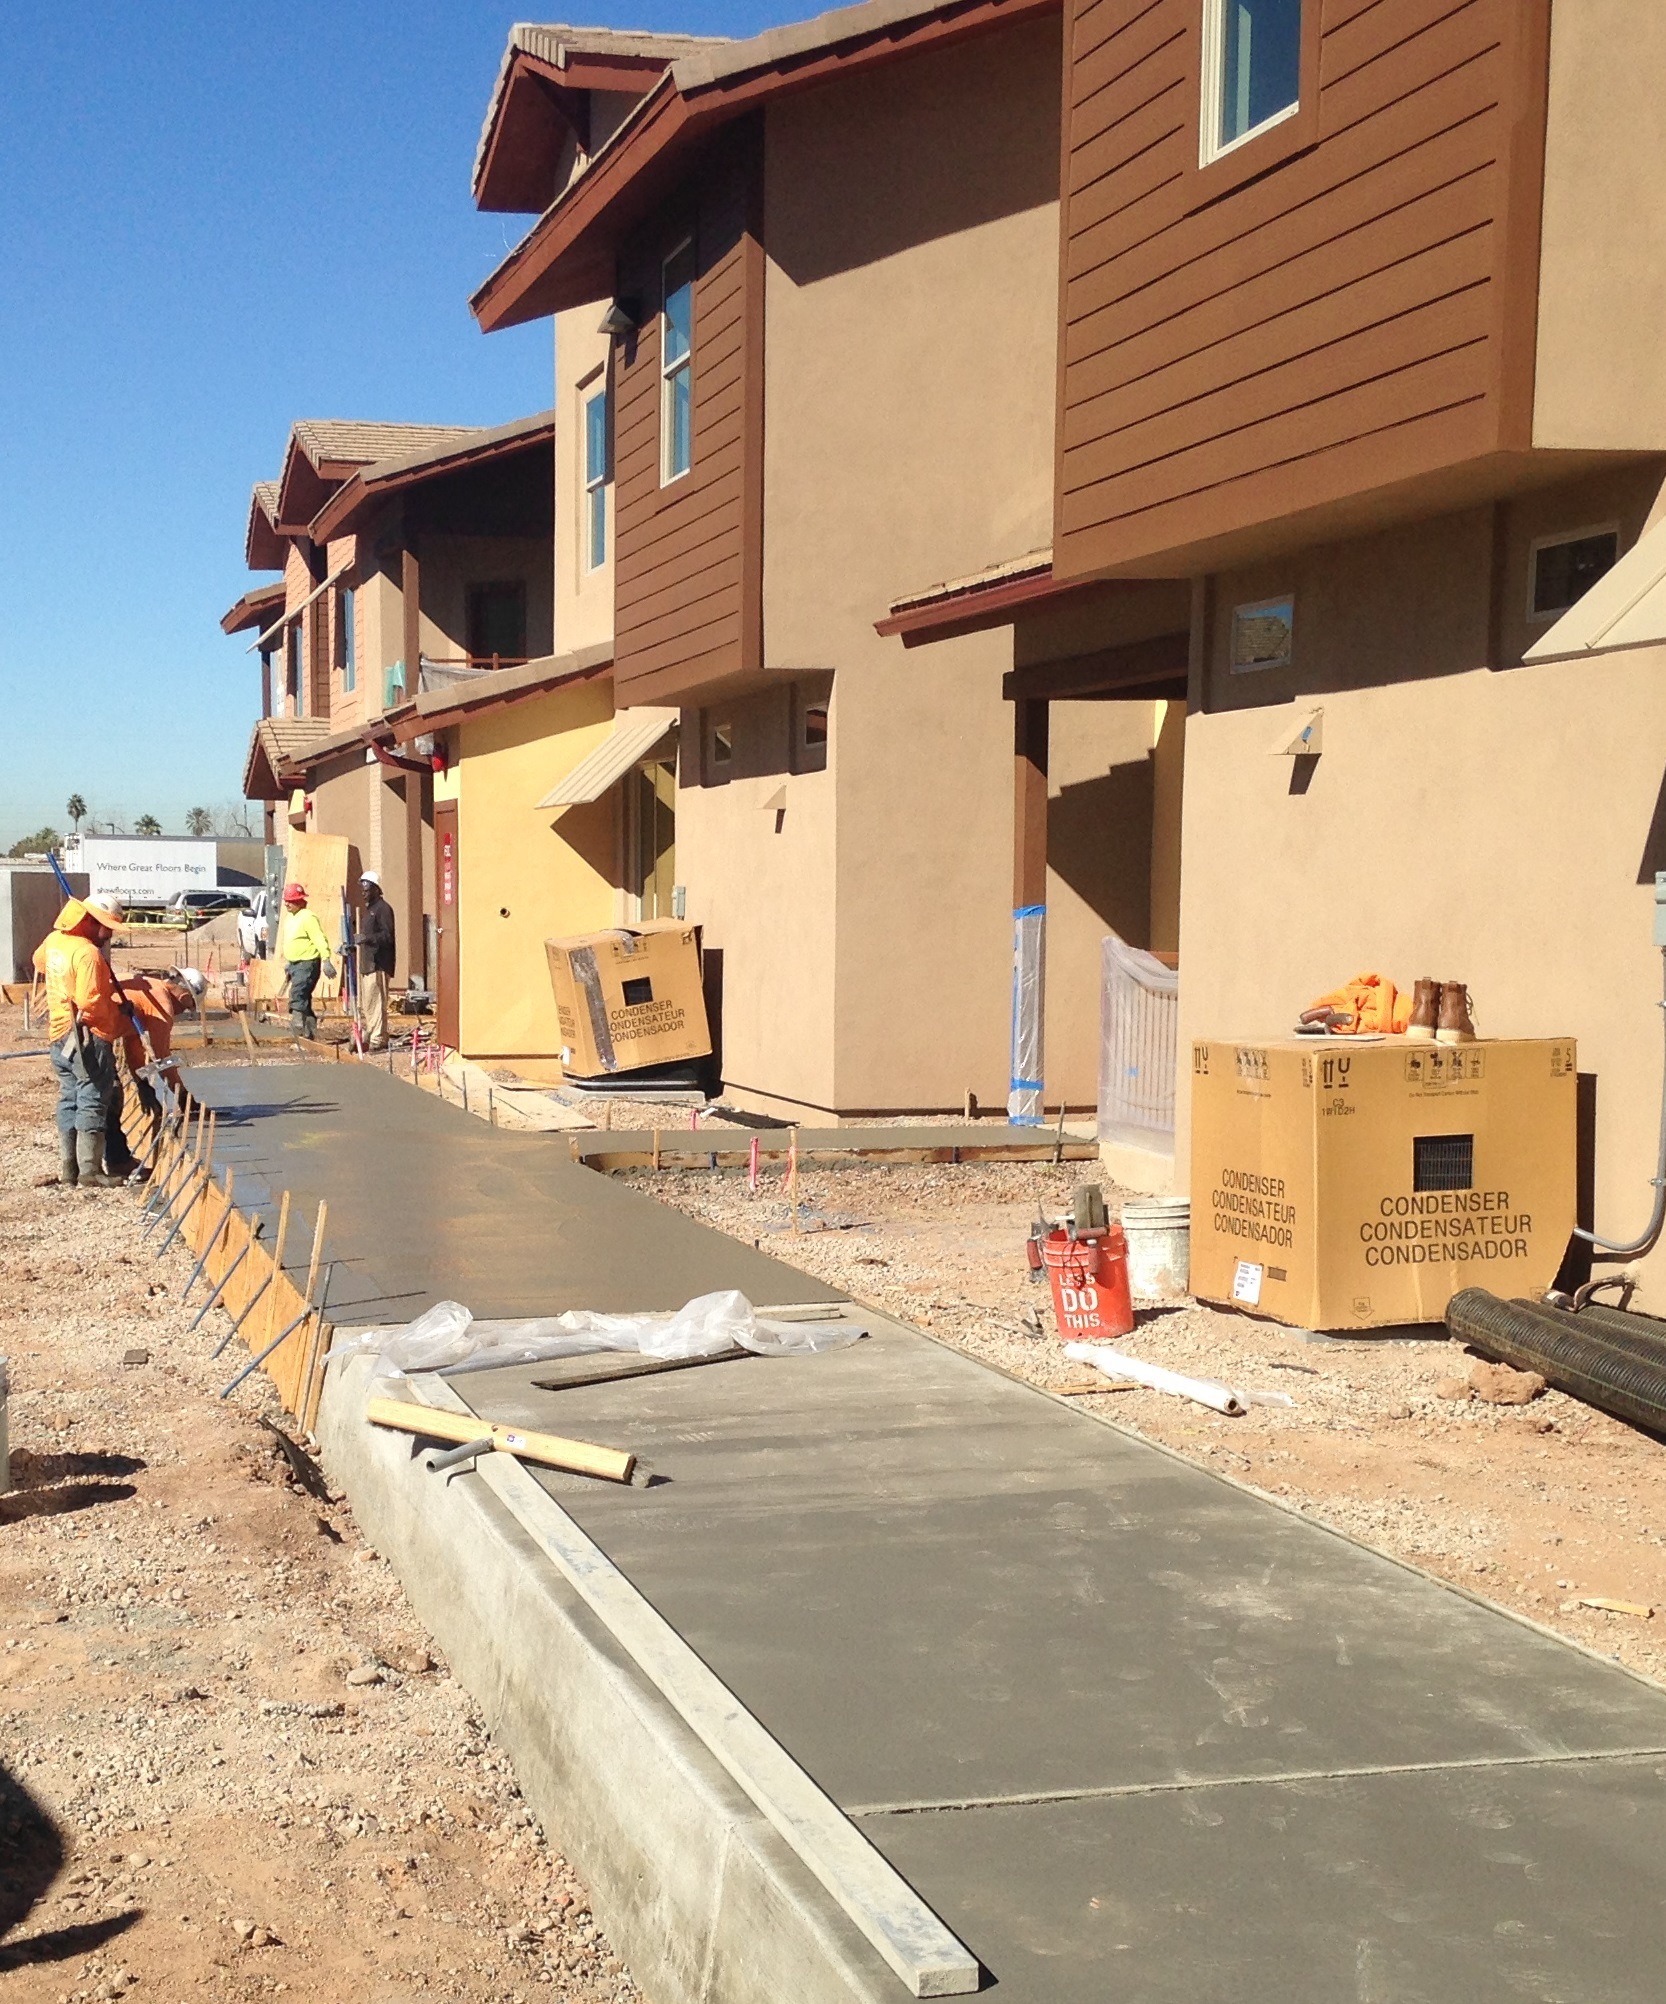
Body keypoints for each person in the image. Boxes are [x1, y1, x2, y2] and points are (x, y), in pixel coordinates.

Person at [31, 892, 134, 1189]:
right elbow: (90, 1000)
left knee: (70, 1096)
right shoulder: (87, 953)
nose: (110, 934)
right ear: (90, 921)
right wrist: (116, 1012)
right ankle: (89, 1170)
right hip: (87, 1034)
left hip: (59, 1032)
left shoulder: (55, 942)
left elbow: (39, 962)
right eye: (107, 927)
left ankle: (69, 1169)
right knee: (93, 1095)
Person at [106, 970, 198, 1180]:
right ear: (184, 997)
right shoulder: (161, 1004)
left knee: (109, 1095)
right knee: (107, 1098)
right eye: (184, 1009)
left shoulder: (148, 987)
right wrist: (183, 1096)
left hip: (92, 1030)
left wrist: (141, 1082)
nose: (179, 1014)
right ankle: (113, 1162)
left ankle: (109, 1160)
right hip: (93, 1034)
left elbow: (135, 1047)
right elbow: (161, 1058)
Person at [279, 882, 333, 1040]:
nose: (286, 904)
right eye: (286, 901)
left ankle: (298, 1031)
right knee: (304, 999)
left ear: (299, 901)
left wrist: (326, 959)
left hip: (308, 963)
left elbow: (319, 938)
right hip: (296, 964)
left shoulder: (308, 917)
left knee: (297, 995)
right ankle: (310, 1033)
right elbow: (291, 941)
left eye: (290, 901)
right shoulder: (290, 917)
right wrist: (290, 963)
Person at [357, 871, 396, 1051]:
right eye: (362, 888)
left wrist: (367, 938)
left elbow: (387, 936)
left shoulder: (383, 909)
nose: (363, 892)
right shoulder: (369, 911)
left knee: (377, 1001)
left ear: (376, 889)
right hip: (367, 963)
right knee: (368, 1003)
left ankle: (377, 1039)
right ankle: (376, 1034)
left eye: (367, 888)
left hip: (378, 963)